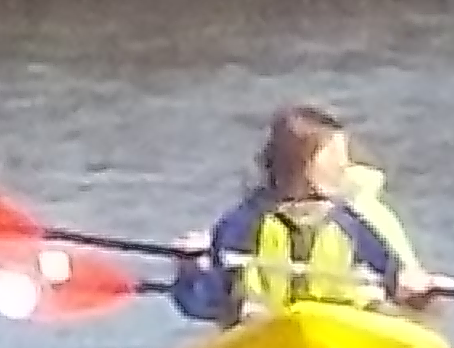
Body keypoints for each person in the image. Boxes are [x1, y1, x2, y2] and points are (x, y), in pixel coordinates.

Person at [175, 103, 437, 324]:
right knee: (247, 304)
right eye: (334, 156)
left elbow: (394, 278)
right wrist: (189, 270)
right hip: (264, 333)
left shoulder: (349, 225)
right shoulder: (244, 225)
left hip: (344, 333)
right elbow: (205, 302)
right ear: (300, 163)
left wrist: (418, 290)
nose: (344, 165)